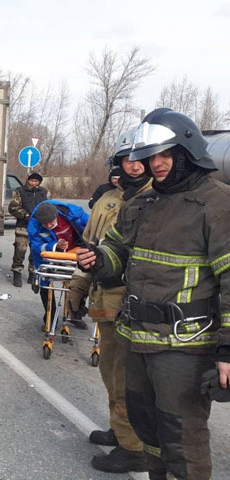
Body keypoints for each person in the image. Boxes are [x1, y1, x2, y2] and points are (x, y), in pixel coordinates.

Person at [77, 108, 230, 480]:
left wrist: (227, 350)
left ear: (187, 151)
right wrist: (97, 259)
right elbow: (117, 251)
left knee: (183, 441)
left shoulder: (217, 203)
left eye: (165, 155)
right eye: (151, 157)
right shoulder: (143, 203)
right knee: (149, 434)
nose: (156, 164)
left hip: (184, 348)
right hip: (136, 338)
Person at [67, 126, 152, 473]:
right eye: (126, 159)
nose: (133, 165)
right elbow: (90, 248)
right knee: (109, 371)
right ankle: (120, 433)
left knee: (125, 377)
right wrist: (78, 286)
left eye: (140, 159)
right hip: (105, 298)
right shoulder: (108, 198)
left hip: (131, 301)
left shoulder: (155, 199)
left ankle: (133, 447)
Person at [27, 200, 89, 330]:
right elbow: (37, 247)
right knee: (44, 281)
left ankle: (75, 313)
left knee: (81, 280)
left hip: (75, 248)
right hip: (49, 254)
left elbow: (91, 226)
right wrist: (55, 246)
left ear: (57, 216)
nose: (49, 225)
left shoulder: (71, 212)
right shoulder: (34, 225)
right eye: (45, 224)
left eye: (51, 222)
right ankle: (50, 316)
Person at [8, 172, 51, 287]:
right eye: (32, 181)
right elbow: (13, 207)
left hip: (39, 227)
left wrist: (44, 218)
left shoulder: (44, 192)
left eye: (36, 181)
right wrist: (25, 215)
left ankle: (32, 274)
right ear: (28, 180)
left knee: (35, 251)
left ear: (39, 183)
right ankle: (17, 273)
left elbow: (49, 206)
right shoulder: (20, 191)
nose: (33, 183)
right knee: (20, 250)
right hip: (23, 226)